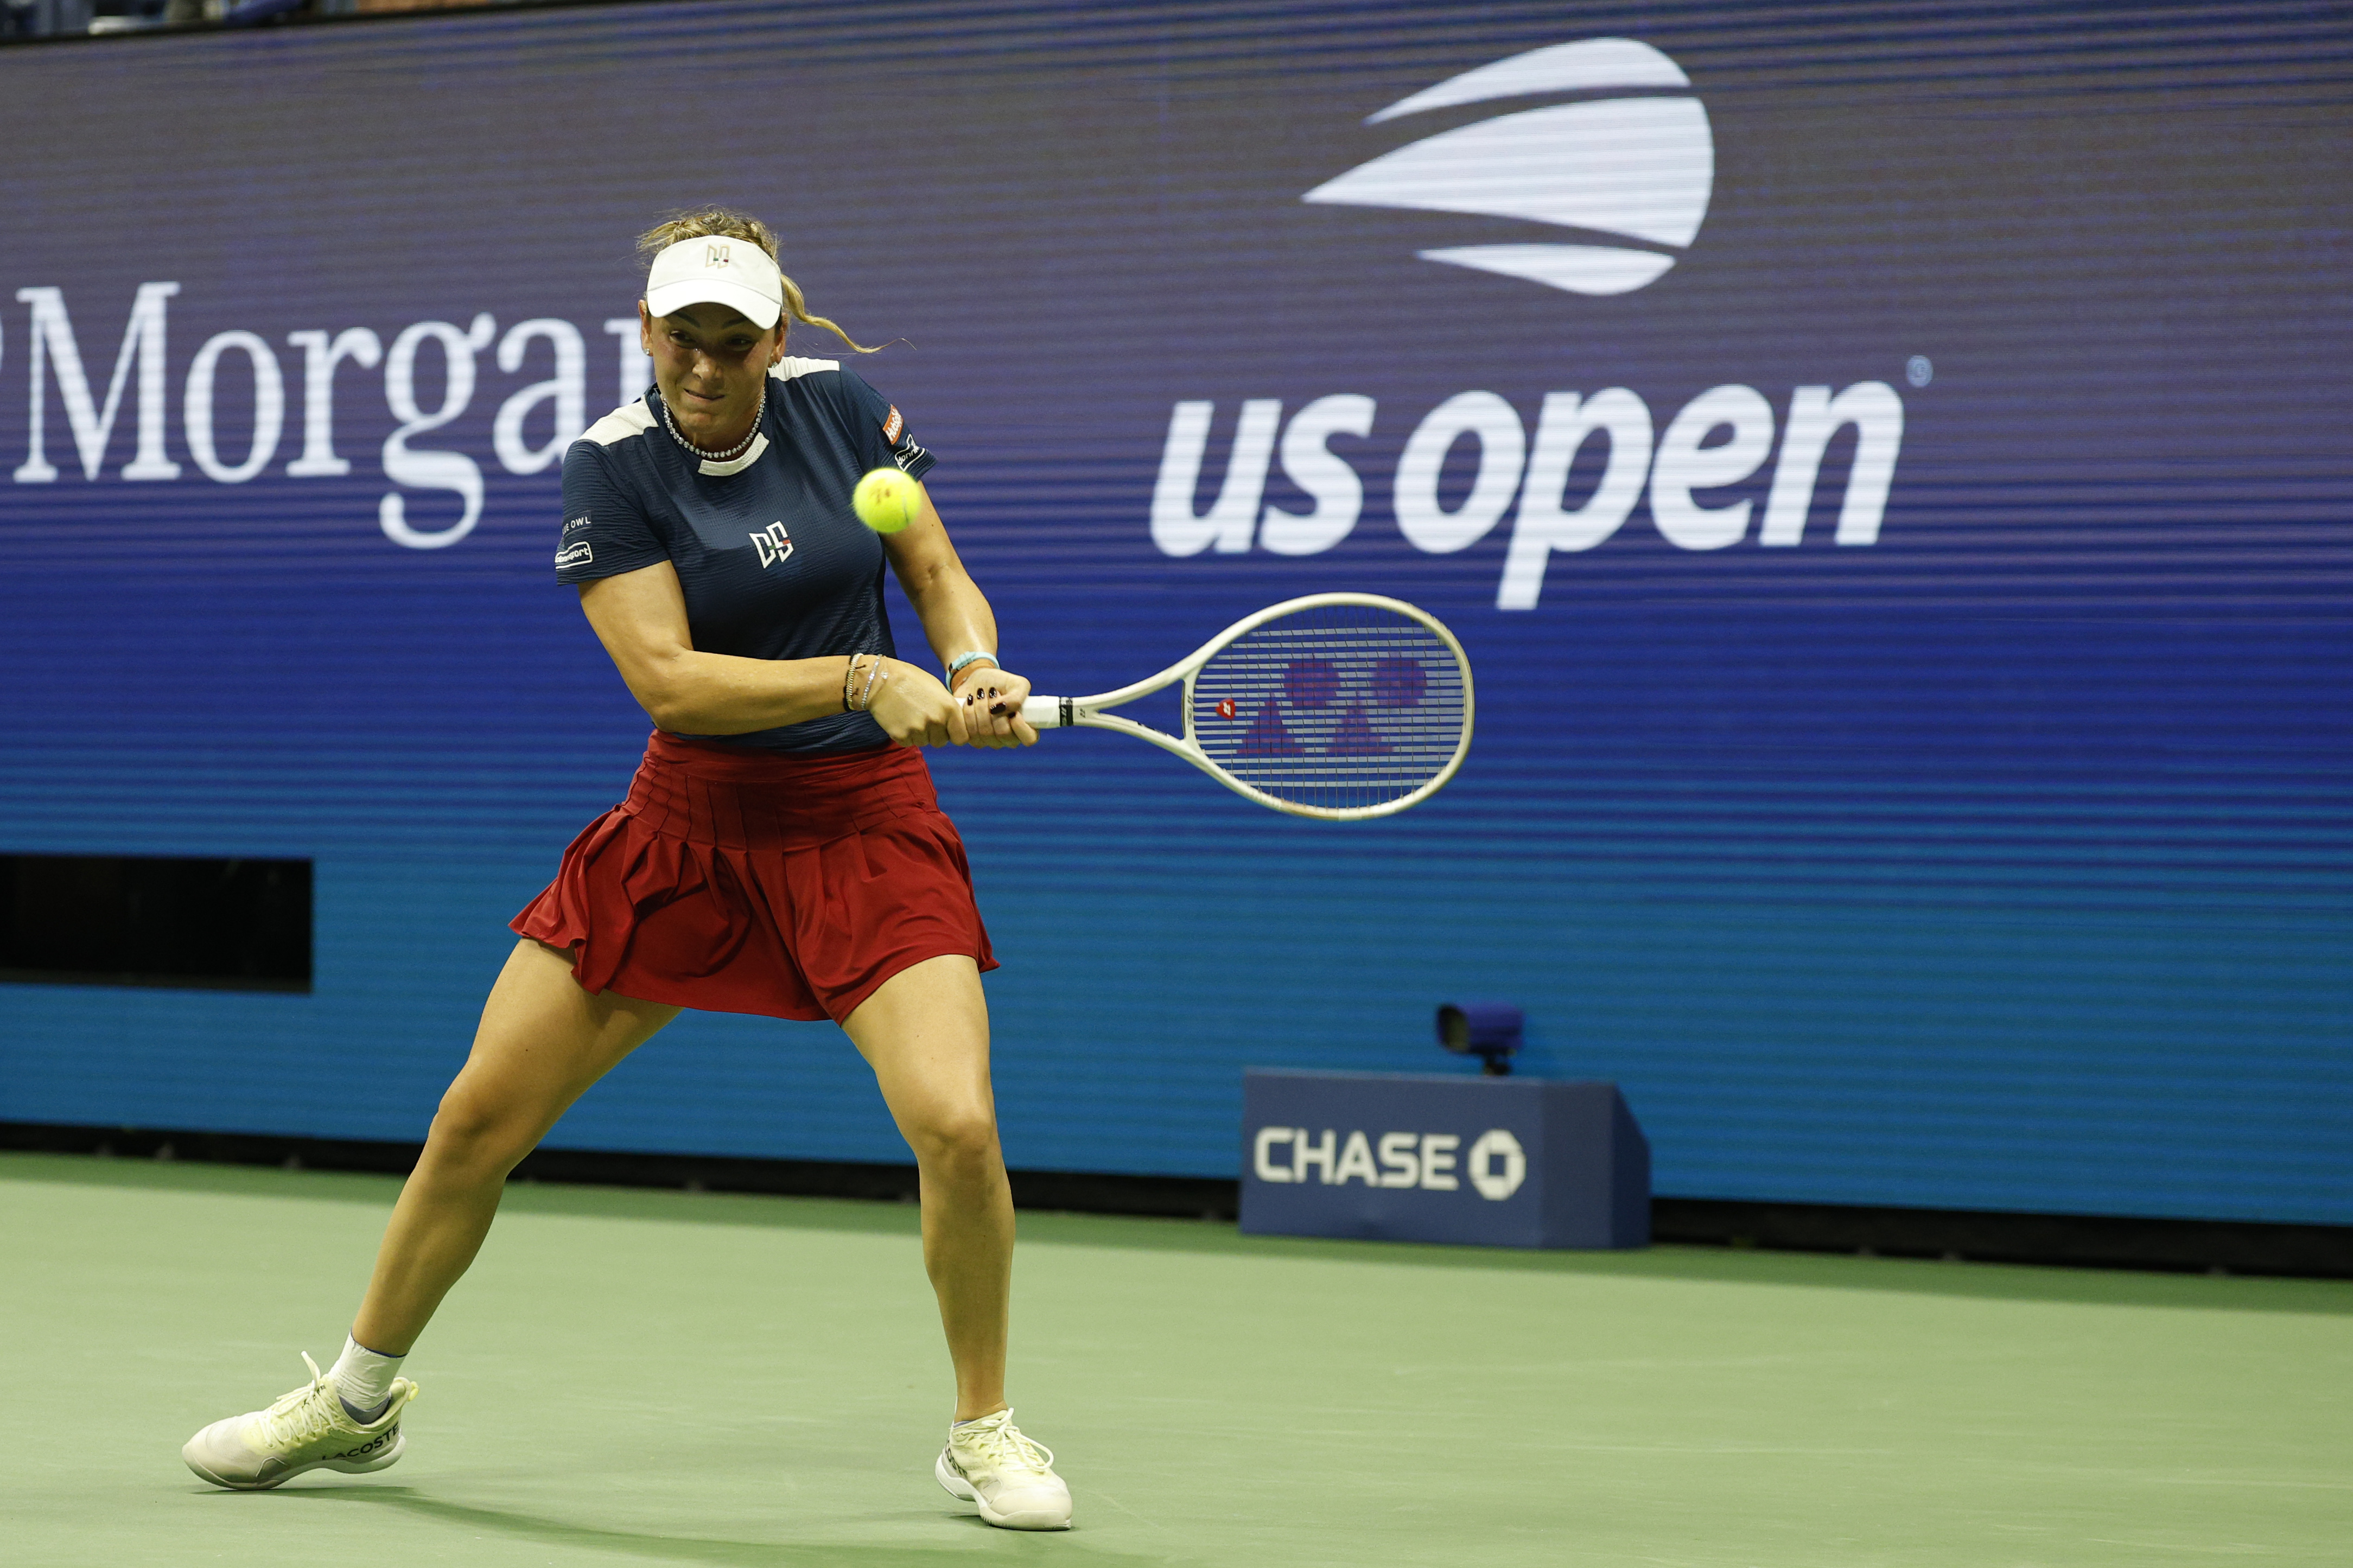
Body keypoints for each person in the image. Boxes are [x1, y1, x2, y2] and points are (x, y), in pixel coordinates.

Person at [181, 209, 1071, 1532]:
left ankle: (981, 1431)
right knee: (479, 1117)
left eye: (730, 340)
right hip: (685, 836)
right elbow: (667, 680)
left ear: (775, 335)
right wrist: (857, 675)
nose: (701, 367)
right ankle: (354, 1400)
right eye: (679, 339)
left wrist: (969, 664)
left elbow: (934, 569)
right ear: (646, 330)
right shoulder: (611, 465)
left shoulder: (843, 409)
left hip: (864, 826)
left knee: (956, 1121)